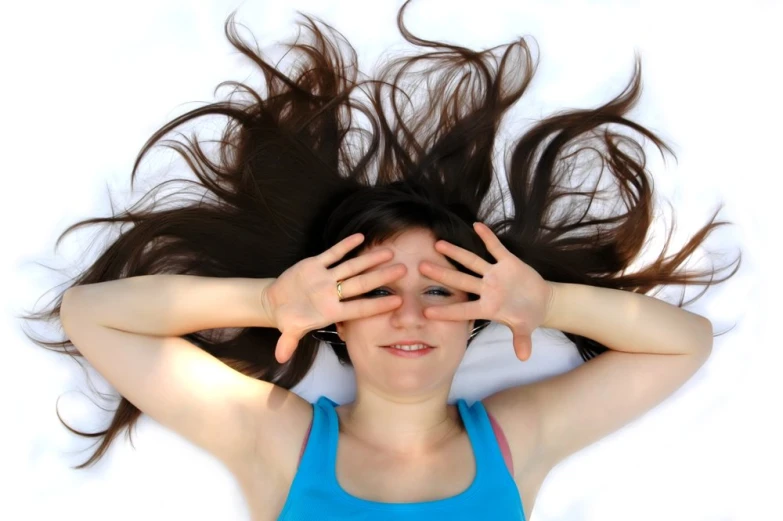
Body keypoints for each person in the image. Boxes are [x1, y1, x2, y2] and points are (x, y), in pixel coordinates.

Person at [23, 1, 740, 519]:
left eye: (440, 291)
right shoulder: (276, 437)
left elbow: (685, 344)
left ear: (476, 322)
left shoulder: (516, 438)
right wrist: (269, 304)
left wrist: (549, 305)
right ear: (336, 321)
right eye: (375, 289)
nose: (409, 313)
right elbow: (92, 316)